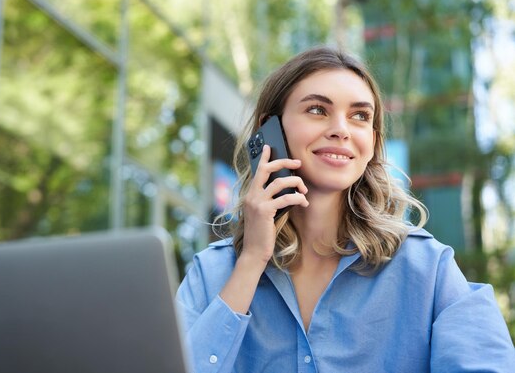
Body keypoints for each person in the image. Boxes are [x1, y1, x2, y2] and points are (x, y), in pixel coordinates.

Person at [176, 46, 515, 373]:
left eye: (359, 116)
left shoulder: (427, 269)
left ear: (372, 141)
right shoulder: (212, 273)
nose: (341, 129)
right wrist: (251, 260)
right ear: (270, 130)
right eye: (317, 110)